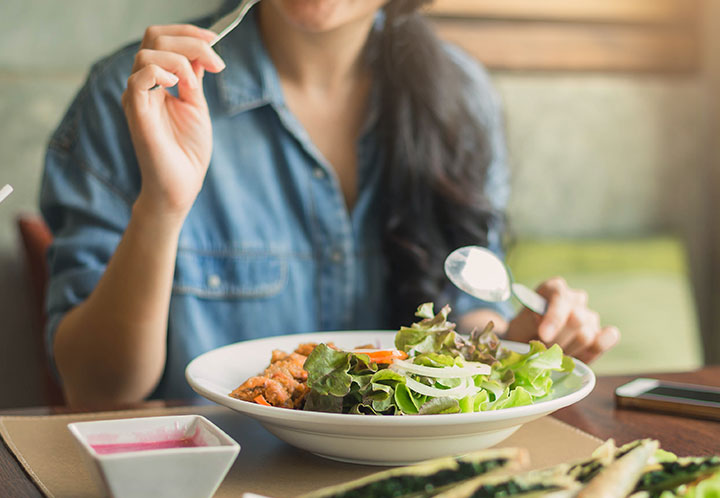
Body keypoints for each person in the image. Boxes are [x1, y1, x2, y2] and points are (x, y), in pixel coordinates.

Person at [40, 0, 620, 408]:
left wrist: (519, 336)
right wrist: (162, 208)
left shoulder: (459, 96)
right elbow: (96, 388)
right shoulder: (141, 91)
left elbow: (464, 322)